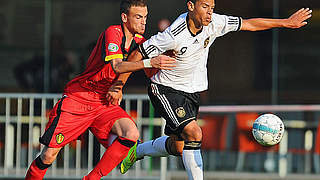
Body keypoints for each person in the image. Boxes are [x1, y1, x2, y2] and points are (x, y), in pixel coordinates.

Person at [109, 0, 312, 179]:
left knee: (180, 146)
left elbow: (249, 24)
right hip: (165, 89)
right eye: (205, 6)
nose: (210, 12)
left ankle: (136, 152)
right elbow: (138, 54)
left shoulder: (215, 22)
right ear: (191, 6)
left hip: (191, 92)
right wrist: (119, 86)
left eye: (212, 7)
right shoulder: (174, 34)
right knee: (194, 133)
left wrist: (285, 22)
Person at [24, 0, 176, 179]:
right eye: (138, 17)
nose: (143, 21)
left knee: (132, 133)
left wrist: (168, 56)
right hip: (80, 98)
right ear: (124, 17)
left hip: (104, 103)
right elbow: (117, 66)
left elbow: (150, 71)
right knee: (48, 155)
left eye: (145, 17)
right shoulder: (113, 32)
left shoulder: (140, 42)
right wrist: (150, 62)